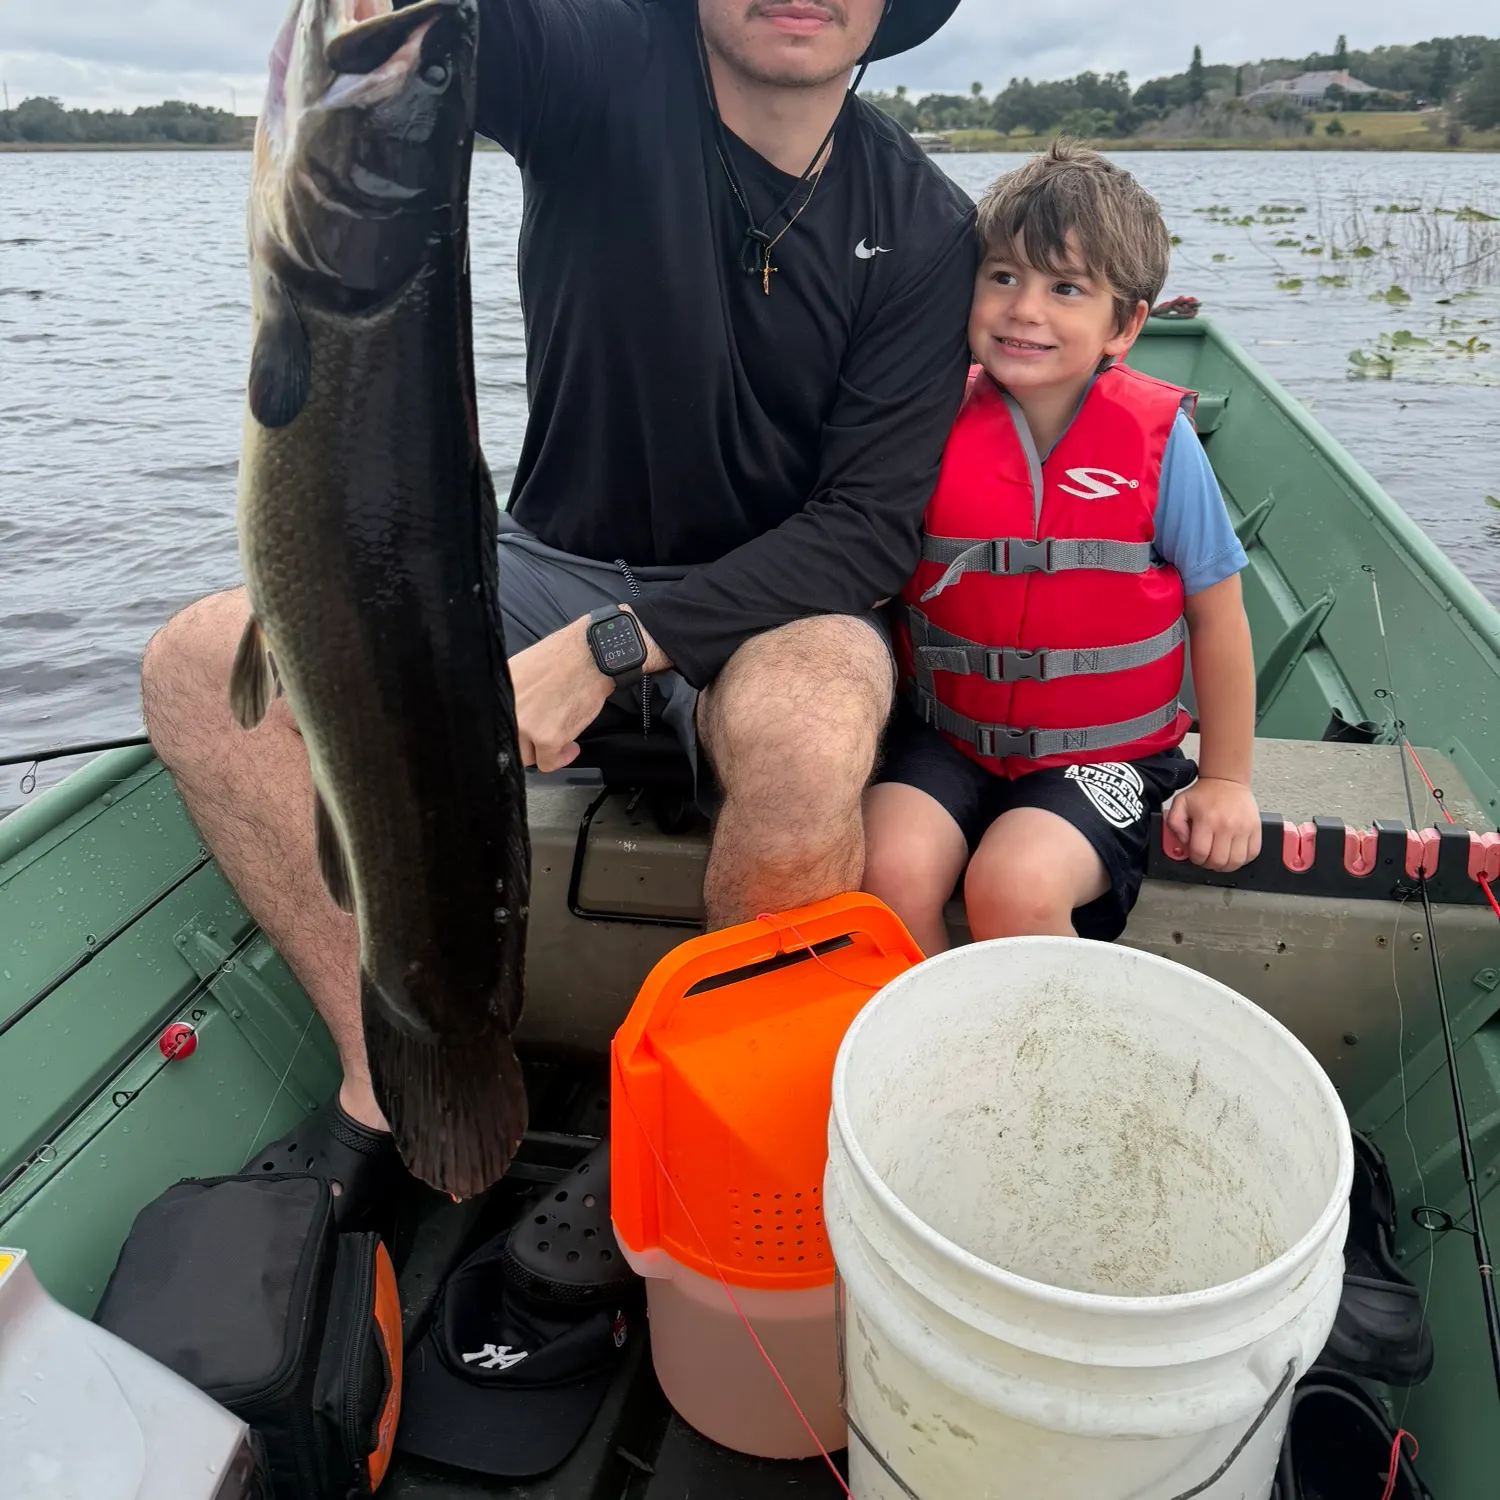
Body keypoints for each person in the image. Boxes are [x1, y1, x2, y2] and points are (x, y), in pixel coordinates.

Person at [139, 0, 975, 1218]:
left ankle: (720, 1120)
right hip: (545, 563)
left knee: (810, 729)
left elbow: (864, 530)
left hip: (774, 604)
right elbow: (442, 41)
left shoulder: (927, 225)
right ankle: (386, 1081)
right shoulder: (605, 61)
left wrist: (616, 646)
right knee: (196, 666)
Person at [862, 141, 1261, 956]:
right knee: (886, 869)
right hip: (948, 735)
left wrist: (1225, 779)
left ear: (1126, 325)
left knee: (1015, 885)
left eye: (1066, 288)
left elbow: (1218, 618)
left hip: (1106, 757)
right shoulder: (928, 421)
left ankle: (1034, 1038)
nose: (1025, 309)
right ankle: (923, 1033)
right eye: (1003, 276)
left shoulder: (1163, 445)